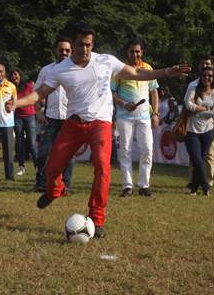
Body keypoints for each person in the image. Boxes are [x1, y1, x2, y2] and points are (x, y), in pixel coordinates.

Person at [15, 24, 191, 238]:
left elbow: (135, 73)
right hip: (73, 124)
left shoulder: (106, 61)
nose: (85, 49)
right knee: (51, 167)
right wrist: (16, 103)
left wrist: (166, 72)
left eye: (89, 45)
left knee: (102, 166)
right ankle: (55, 190)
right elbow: (39, 94)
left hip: (101, 123)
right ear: (73, 44)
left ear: (93, 44)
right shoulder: (60, 70)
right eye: (81, 44)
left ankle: (97, 219)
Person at [111, 40, 160, 197]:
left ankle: (144, 185)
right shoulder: (120, 69)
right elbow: (111, 93)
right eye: (132, 51)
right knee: (125, 151)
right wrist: (124, 104)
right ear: (127, 52)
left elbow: (154, 92)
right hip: (124, 116)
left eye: (137, 51)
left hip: (144, 116)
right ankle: (127, 186)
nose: (135, 54)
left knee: (147, 150)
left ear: (142, 52)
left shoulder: (148, 68)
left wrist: (156, 114)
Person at [33, 36, 75, 193]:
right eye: (61, 49)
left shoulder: (77, 70)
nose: (63, 52)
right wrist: (38, 112)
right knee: (44, 152)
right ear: (56, 51)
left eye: (67, 50)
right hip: (49, 118)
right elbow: (37, 93)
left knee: (68, 154)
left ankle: (66, 185)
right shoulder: (47, 70)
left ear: (71, 51)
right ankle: (41, 184)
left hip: (70, 118)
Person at [186, 56, 214, 188]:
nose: (205, 66)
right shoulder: (193, 85)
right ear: (200, 67)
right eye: (203, 64)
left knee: (209, 155)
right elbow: (188, 104)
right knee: (195, 157)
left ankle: (208, 182)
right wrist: (204, 109)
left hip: (210, 125)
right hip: (193, 126)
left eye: (208, 64)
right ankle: (194, 182)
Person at [184, 67, 214, 196]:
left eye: (210, 76)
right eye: (204, 75)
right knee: (196, 160)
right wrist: (205, 108)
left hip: (209, 130)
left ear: (213, 78)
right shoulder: (194, 89)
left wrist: (197, 110)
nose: (207, 78)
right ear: (201, 77)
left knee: (201, 159)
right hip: (192, 130)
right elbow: (187, 104)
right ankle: (205, 186)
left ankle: (194, 189)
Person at [11, 68, 38, 176]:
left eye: (16, 74)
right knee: (19, 142)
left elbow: (36, 98)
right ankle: (21, 167)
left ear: (20, 76)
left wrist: (39, 111)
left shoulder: (29, 85)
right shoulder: (11, 87)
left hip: (30, 116)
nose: (14, 77)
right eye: (12, 75)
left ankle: (37, 167)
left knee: (32, 143)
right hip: (17, 117)